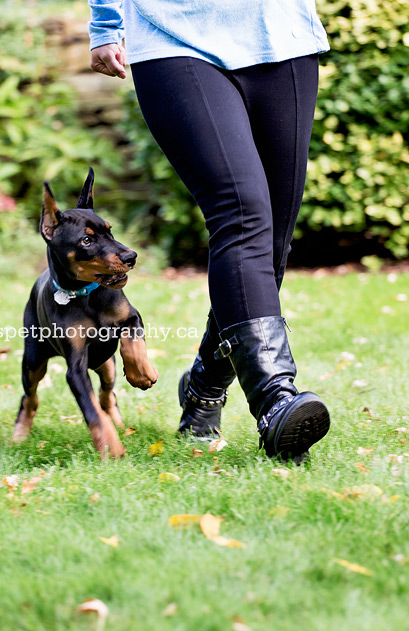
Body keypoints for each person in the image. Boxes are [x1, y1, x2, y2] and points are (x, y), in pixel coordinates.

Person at [88, 0, 331, 462]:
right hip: (173, 35)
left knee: (272, 242)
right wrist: (105, 23)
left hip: (282, 33)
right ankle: (275, 400)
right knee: (242, 214)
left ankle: (203, 390)